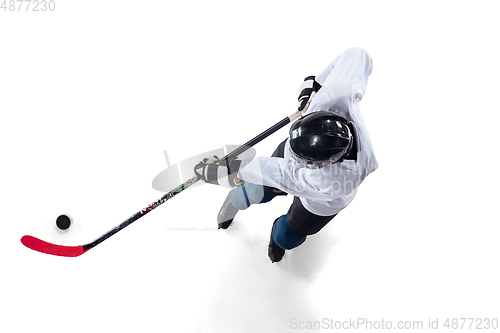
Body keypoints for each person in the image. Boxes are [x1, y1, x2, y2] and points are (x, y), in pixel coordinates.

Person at [195, 47, 378, 263]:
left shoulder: (334, 181)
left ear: (325, 162)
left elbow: (281, 173)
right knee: (255, 191)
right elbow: (358, 55)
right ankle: (235, 200)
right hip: (300, 149)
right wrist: (314, 86)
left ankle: (276, 238)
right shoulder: (340, 93)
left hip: (324, 202)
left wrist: (224, 169)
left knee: (287, 236)